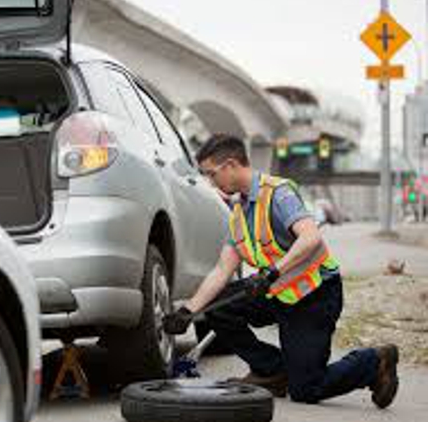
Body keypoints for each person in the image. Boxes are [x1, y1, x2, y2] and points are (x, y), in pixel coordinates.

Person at [163, 134, 399, 408]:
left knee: (307, 389)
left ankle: (374, 362)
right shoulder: (239, 212)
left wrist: (273, 272)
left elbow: (311, 237)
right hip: (278, 292)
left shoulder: (278, 193)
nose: (210, 182)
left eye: (211, 174)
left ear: (229, 165)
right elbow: (221, 270)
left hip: (314, 296)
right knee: (217, 307)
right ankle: (272, 370)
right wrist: (188, 311)